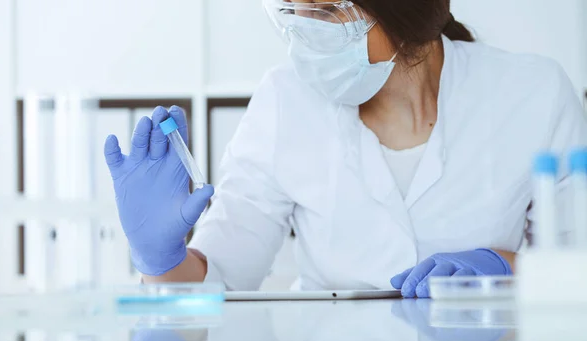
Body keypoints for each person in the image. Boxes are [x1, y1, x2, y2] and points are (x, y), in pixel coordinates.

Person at [104, 0, 587, 298]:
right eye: (295, 7)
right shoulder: (284, 102)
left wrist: (506, 267)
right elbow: (218, 287)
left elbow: (578, 271)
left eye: (329, 10)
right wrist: (162, 260)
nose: (307, 31)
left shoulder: (534, 93)